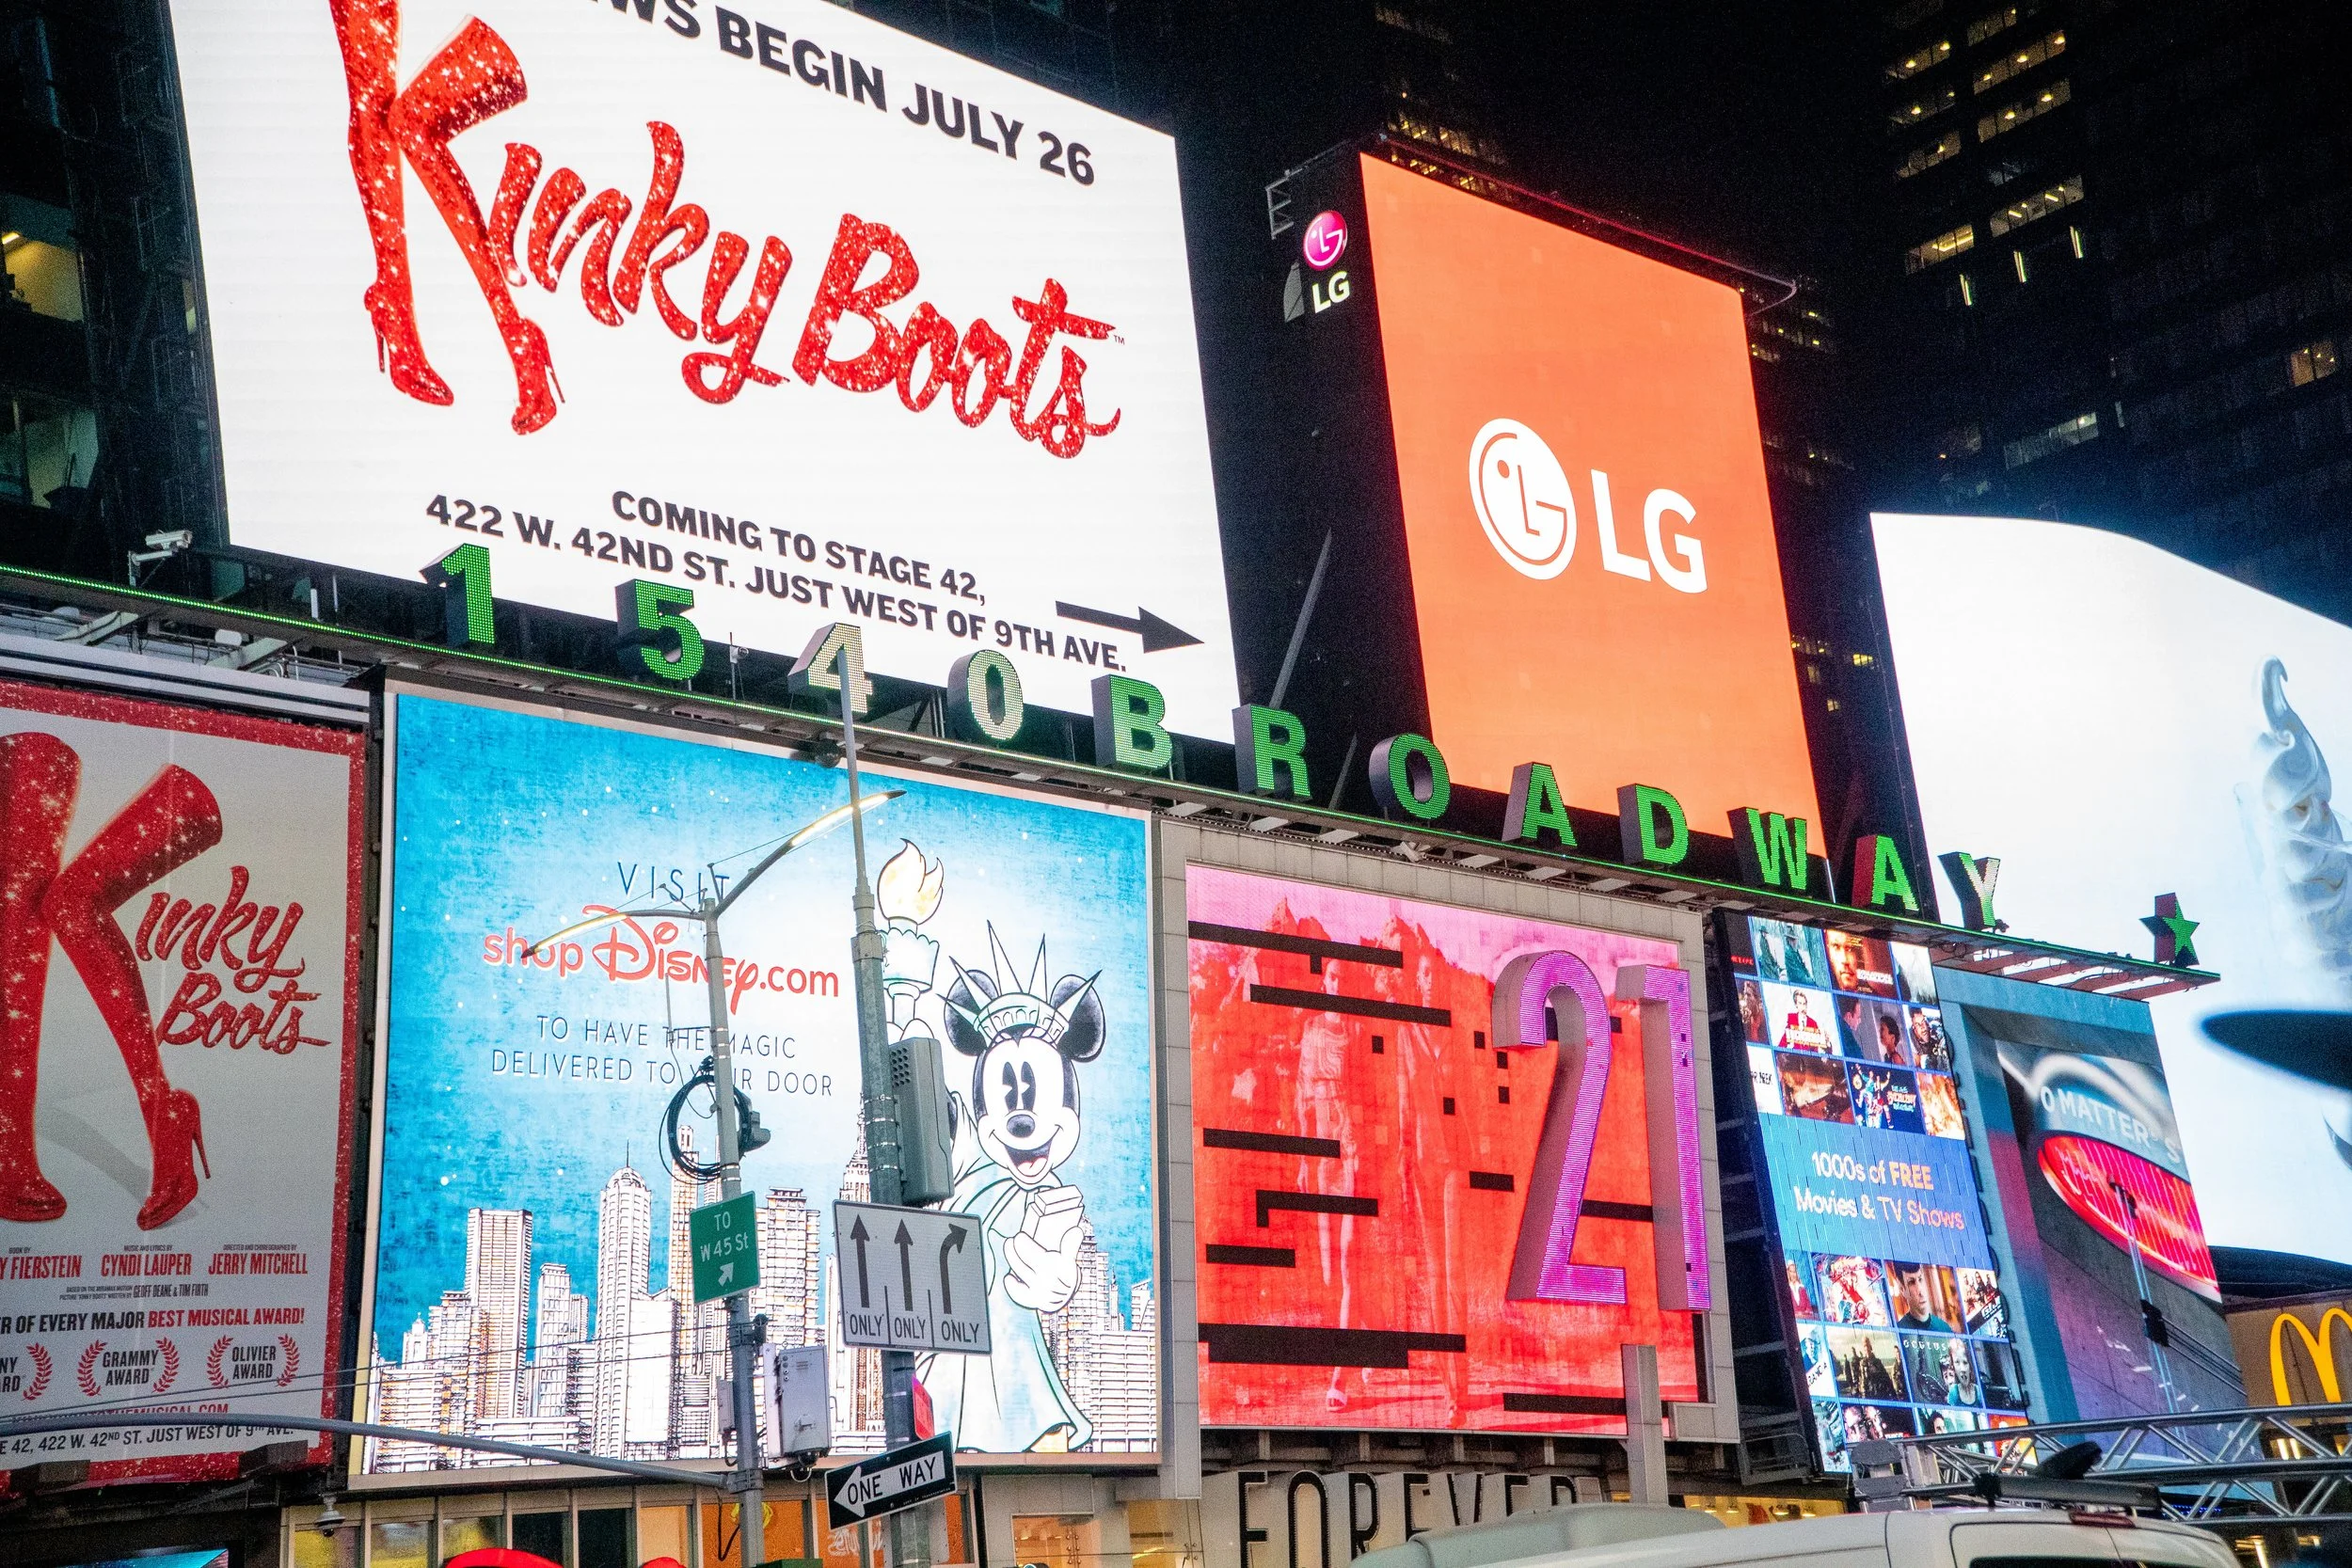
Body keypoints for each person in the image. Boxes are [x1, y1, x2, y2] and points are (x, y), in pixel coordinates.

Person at [1892, 1262, 1956, 1333]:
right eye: (1911, 1282)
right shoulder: (1899, 1332)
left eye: (1920, 1279)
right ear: (1902, 1289)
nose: (1920, 1291)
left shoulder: (1944, 1328)